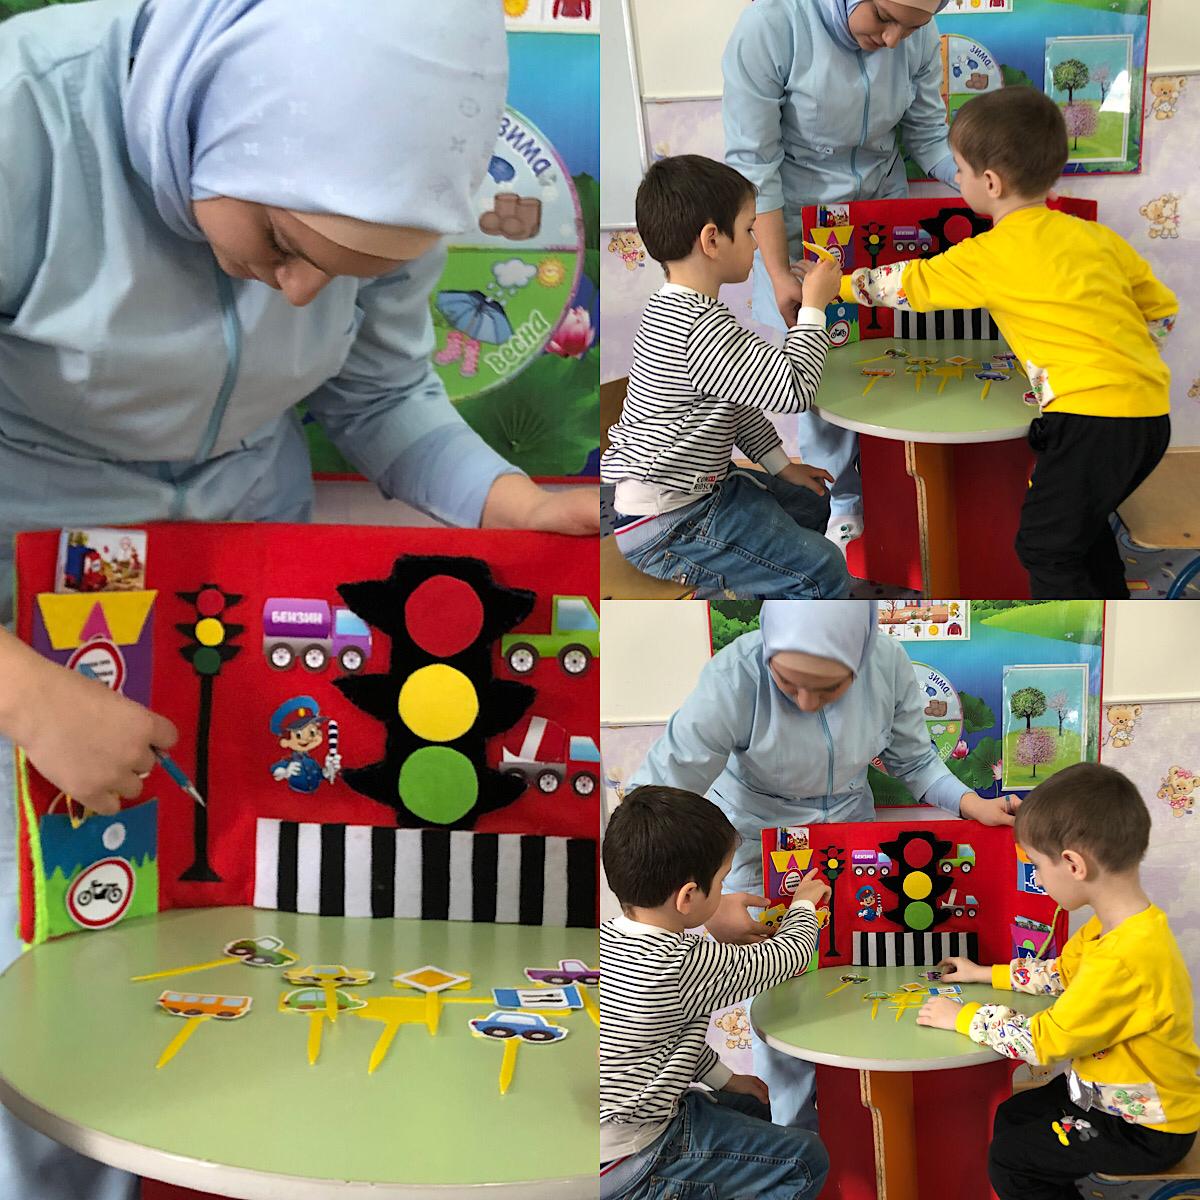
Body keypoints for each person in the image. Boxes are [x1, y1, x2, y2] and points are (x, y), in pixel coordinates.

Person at [0, 2, 594, 1196]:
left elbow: (379, 397)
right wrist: (21, 692)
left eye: (348, 272)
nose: (300, 288)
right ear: (222, 120)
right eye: (281, 240)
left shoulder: (387, 189)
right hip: (31, 609)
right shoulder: (26, 121)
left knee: (244, 956)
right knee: (43, 992)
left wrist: (512, 504)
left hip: (237, 598)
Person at [628, 599, 1016, 1128]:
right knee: (780, 997)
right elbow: (654, 802)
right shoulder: (733, 677)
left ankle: (866, 1123)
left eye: (830, 689)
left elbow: (916, 761)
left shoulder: (888, 663)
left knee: (862, 984)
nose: (807, 703)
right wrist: (710, 910)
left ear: (859, 658)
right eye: (787, 684)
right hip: (756, 844)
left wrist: (972, 805)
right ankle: (791, 1136)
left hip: (849, 842)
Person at [840, 88, 1177, 599]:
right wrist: (1129, 365)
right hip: (1150, 415)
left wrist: (838, 285)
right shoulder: (1098, 239)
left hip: (1092, 421)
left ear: (991, 182)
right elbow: (1161, 310)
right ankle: (1111, 609)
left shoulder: (992, 253)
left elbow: (909, 285)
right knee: (1079, 530)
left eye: (959, 169)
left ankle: (1075, 630)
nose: (957, 179)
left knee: (1045, 546)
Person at [723, 0, 958, 550]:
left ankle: (900, 490)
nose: (894, 40)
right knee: (820, 367)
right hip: (796, 227)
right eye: (884, 18)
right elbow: (755, 167)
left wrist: (990, 185)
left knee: (891, 353)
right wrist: (778, 273)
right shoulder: (773, 24)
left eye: (913, 27)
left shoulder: (918, 37)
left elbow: (928, 137)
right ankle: (843, 503)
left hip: (880, 217)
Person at [918, 763, 1200, 1199]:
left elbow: (1042, 1042)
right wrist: (981, 973)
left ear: (1072, 864)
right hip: (1104, 1094)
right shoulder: (1115, 926)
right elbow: (1061, 974)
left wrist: (962, 1017)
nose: (1038, 879)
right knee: (1014, 1115)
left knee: (1009, 1159)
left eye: (1036, 866)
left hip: (1145, 1126)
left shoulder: (1125, 957)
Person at [601, 156, 850, 599]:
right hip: (670, 524)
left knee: (811, 502)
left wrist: (783, 467)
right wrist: (815, 307)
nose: (755, 244)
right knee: (824, 568)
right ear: (712, 239)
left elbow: (735, 404)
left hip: (697, 493)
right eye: (750, 229)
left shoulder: (681, 310)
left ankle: (773, 585)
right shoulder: (696, 327)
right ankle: (787, 604)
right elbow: (794, 389)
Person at [600, 785, 831, 1200]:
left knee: (756, 1105)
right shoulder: (679, 963)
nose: (724, 893)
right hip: (637, 1154)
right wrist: (803, 905)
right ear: (688, 896)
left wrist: (726, 1078)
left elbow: (665, 1043)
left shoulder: (609, 939)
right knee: (804, 1160)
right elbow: (789, 954)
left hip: (614, 1134)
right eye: (722, 882)